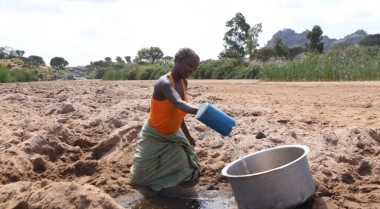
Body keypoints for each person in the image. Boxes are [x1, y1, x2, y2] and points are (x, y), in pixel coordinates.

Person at [129, 48, 200, 192]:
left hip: (173, 135)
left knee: (186, 167)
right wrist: (203, 111)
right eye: (190, 66)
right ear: (179, 61)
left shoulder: (184, 83)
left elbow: (178, 113)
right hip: (154, 134)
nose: (192, 71)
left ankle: (167, 183)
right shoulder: (164, 82)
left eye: (195, 68)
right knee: (137, 179)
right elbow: (179, 103)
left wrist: (188, 136)